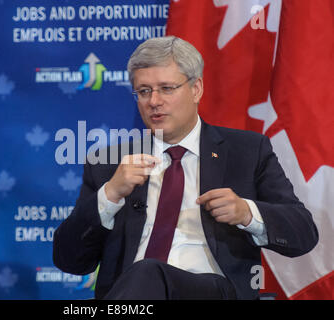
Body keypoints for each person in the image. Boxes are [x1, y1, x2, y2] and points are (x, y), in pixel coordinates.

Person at [52, 36, 318, 300]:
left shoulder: (247, 151)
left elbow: (303, 234)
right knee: (143, 274)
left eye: (167, 88)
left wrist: (246, 212)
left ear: (196, 89)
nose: (154, 101)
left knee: (147, 271)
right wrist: (109, 196)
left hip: (214, 291)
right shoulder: (109, 163)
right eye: (144, 91)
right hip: (133, 294)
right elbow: (70, 261)